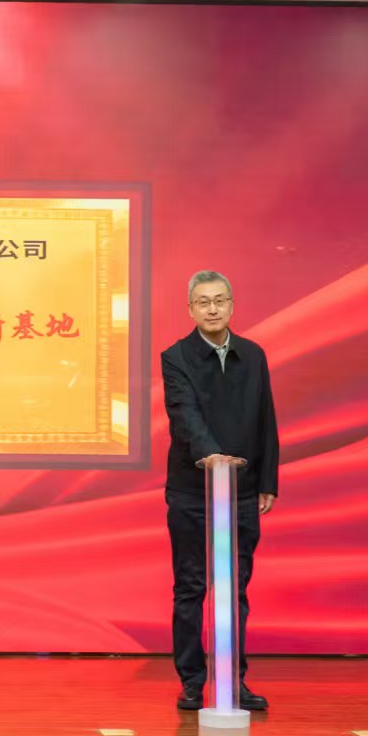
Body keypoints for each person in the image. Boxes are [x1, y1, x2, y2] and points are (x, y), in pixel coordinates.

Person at [159, 270, 280, 713]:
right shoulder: (176, 357)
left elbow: (266, 418)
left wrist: (267, 481)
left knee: (235, 589)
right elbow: (184, 415)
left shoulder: (254, 355)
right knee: (191, 586)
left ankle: (233, 681)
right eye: (203, 302)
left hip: (242, 490)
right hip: (192, 490)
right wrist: (212, 456)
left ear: (231, 305)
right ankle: (193, 681)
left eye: (220, 300)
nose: (213, 309)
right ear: (191, 310)